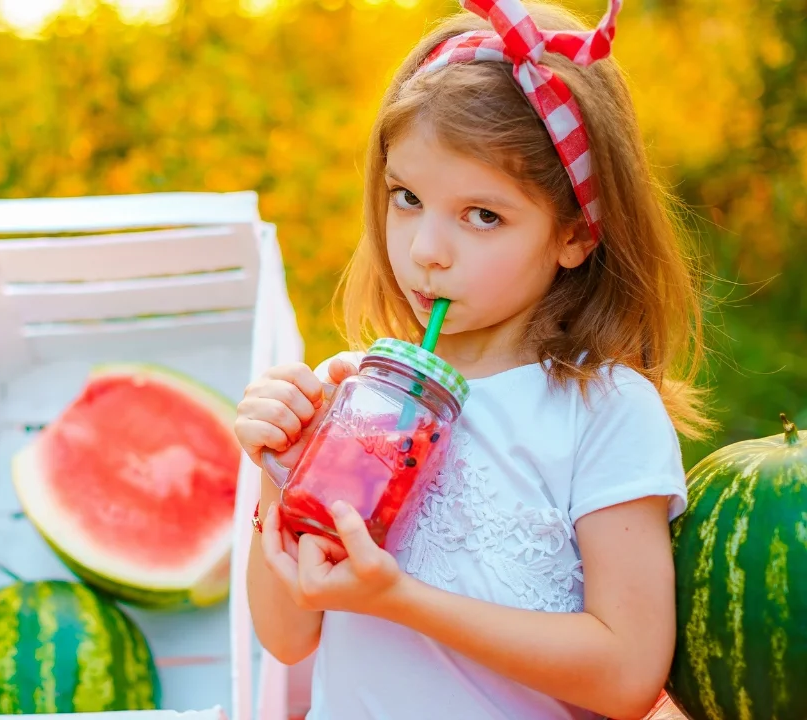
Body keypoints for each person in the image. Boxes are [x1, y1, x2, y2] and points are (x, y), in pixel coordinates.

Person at [234, 1, 715, 718]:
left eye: (482, 215)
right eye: (407, 198)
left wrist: (402, 601)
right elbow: (288, 636)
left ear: (576, 235)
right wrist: (283, 477)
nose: (427, 248)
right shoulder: (360, 393)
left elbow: (627, 673)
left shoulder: (604, 410)